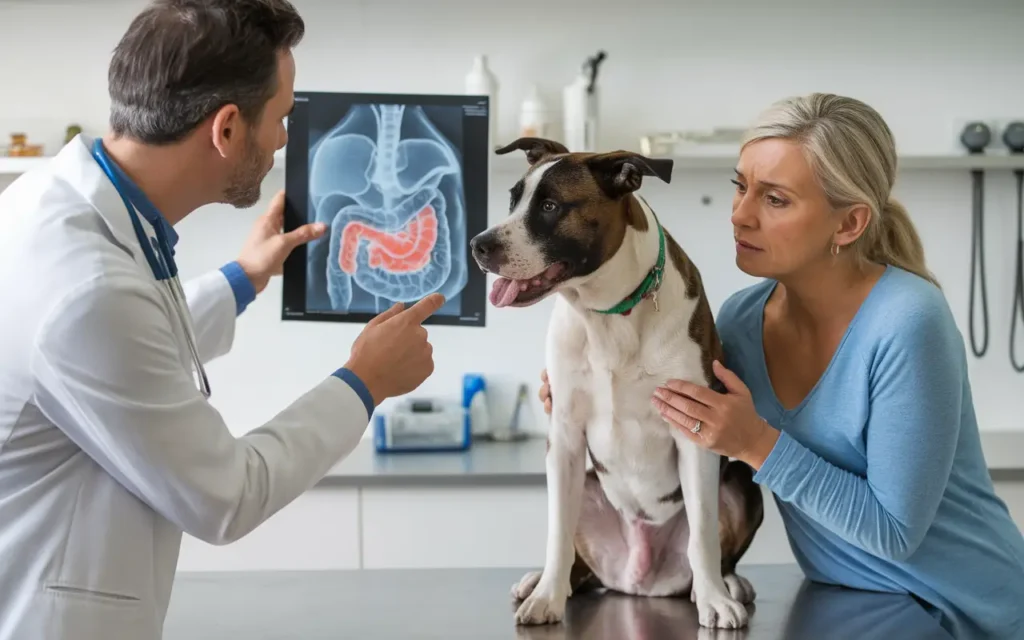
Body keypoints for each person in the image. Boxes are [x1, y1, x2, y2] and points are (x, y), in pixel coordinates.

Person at [0, 1, 442, 638]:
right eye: (283, 117)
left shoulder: (59, 205)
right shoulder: (89, 292)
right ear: (228, 128)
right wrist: (362, 382)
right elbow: (226, 497)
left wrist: (245, 278)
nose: (286, 140)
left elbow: (130, 354)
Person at [537, 93, 1024, 639]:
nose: (740, 214)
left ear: (849, 223)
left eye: (776, 200)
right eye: (740, 187)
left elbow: (893, 534)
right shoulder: (742, 320)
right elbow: (676, 422)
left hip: (969, 613)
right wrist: (590, 398)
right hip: (851, 606)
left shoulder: (909, 321)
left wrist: (755, 443)